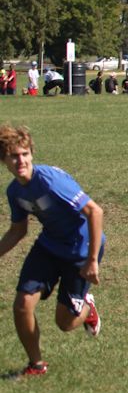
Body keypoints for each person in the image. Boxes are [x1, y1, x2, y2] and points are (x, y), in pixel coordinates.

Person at [0, 125, 103, 378]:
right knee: (22, 304)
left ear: (32, 154)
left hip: (80, 250)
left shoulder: (50, 182)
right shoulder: (14, 191)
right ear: (4, 160)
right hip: (49, 246)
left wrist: (92, 260)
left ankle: (87, 307)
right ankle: (36, 365)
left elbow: (94, 211)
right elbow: (18, 231)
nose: (21, 161)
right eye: (14, 156)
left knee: (65, 323)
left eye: (25, 154)